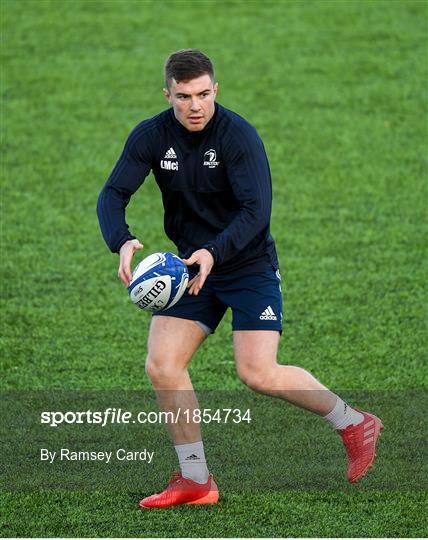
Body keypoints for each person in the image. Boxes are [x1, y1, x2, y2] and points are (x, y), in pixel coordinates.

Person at [97, 49, 383, 508]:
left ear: (216, 90)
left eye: (204, 94)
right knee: (163, 364)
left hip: (246, 265)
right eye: (185, 96)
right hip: (189, 269)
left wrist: (214, 251)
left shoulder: (238, 137)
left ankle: (352, 422)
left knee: (258, 372)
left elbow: (257, 211)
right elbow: (113, 192)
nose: (196, 106)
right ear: (167, 93)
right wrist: (122, 240)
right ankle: (196, 480)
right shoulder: (151, 136)